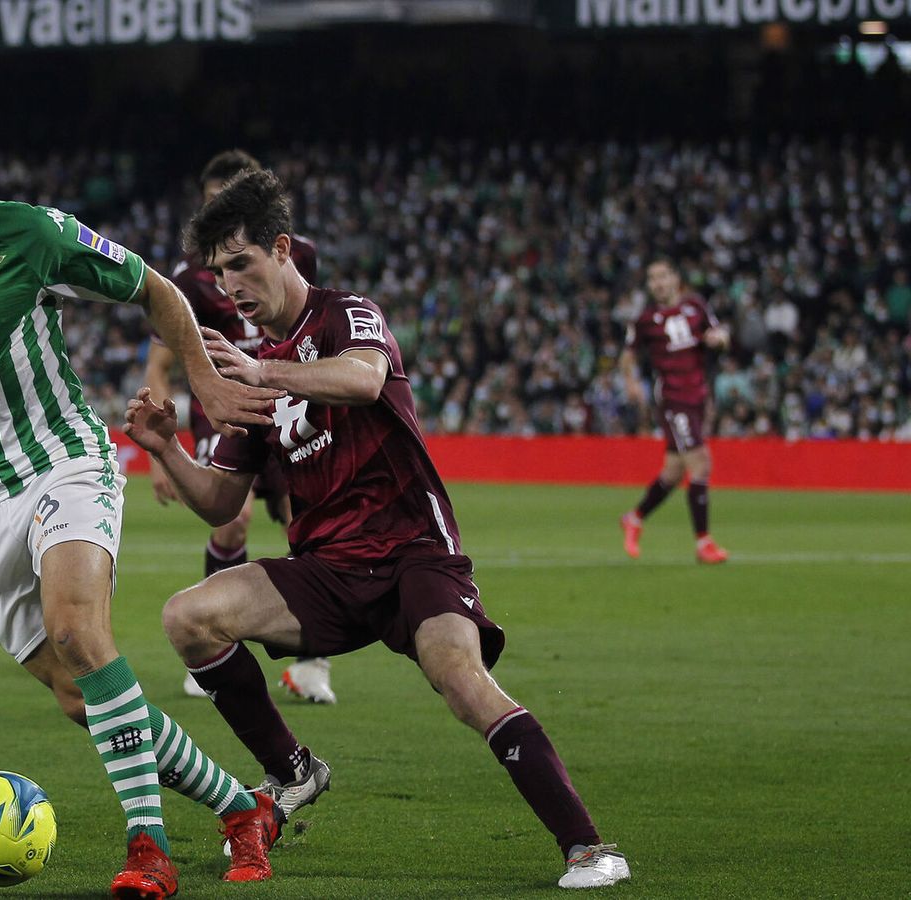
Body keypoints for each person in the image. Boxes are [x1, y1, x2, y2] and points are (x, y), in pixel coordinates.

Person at [0, 76, 287, 899]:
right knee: (81, 695)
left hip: (63, 460)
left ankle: (149, 850)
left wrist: (205, 380)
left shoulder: (28, 235)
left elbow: (156, 289)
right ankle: (241, 807)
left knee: (78, 632)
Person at [122, 170, 631, 889]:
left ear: (282, 249)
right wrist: (166, 450)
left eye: (241, 263)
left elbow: (363, 380)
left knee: (461, 679)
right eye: (218, 272)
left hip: (413, 552)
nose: (230, 285)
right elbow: (220, 502)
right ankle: (292, 771)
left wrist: (264, 373)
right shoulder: (252, 367)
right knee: (189, 618)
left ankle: (587, 848)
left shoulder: (345, 315)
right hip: (326, 569)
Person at [145, 150, 337, 705]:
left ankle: (311, 663)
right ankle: (213, 651)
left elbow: (311, 323)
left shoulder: (300, 255)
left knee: (307, 520)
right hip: (224, 409)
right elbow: (160, 363)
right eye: (211, 205)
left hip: (286, 397)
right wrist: (163, 453)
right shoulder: (187, 279)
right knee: (235, 519)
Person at [618, 259, 731, 564]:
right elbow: (627, 356)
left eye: (663, 276)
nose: (658, 283)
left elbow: (720, 335)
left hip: (698, 395)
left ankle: (634, 518)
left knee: (674, 471)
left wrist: (719, 339)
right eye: (652, 278)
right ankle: (704, 543)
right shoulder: (645, 319)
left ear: (675, 279)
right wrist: (631, 383)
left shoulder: (696, 306)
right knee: (701, 463)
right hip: (673, 398)